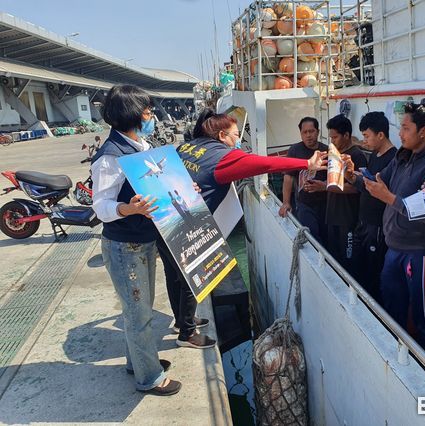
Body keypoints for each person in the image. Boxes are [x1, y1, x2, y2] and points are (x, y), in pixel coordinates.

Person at [157, 110, 326, 348]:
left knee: (173, 276)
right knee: (189, 277)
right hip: (186, 225)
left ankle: (182, 320)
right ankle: (187, 334)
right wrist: (306, 163)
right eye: (236, 135)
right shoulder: (222, 157)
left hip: (163, 220)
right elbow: (265, 164)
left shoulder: (189, 147)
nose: (238, 140)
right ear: (223, 135)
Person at [91, 84, 181, 396]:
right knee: (137, 312)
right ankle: (149, 378)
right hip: (123, 247)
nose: (152, 116)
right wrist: (129, 208)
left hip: (144, 242)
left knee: (141, 307)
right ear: (132, 114)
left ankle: (139, 362)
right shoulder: (109, 157)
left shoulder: (140, 147)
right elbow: (100, 207)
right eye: (148, 111)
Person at [344, 98, 425, 362]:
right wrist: (351, 175)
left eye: (405, 128)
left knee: (424, 314)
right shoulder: (404, 157)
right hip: (395, 248)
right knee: (392, 304)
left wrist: (389, 198)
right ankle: (397, 358)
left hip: (421, 251)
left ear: (423, 132)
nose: (399, 133)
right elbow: (378, 182)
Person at [344, 112, 397, 300]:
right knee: (362, 268)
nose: (364, 140)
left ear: (380, 135)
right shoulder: (375, 155)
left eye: (367, 136)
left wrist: (359, 179)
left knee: (374, 273)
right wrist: (353, 176)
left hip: (378, 225)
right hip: (364, 221)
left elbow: (382, 190)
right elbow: (368, 184)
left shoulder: (394, 159)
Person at [322, 114, 367, 269]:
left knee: (349, 263)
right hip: (332, 217)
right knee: (334, 260)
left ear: (346, 135)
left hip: (348, 220)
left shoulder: (356, 156)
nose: (332, 141)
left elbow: (357, 188)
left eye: (335, 137)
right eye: (330, 138)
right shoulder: (334, 155)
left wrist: (324, 186)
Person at [278, 117, 328, 244]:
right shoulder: (295, 150)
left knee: (326, 238)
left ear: (318, 131)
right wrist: (286, 203)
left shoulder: (327, 150)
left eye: (311, 131)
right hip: (304, 204)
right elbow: (288, 177)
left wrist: (323, 186)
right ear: (301, 134)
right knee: (311, 238)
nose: (308, 135)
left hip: (326, 204)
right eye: (304, 132)